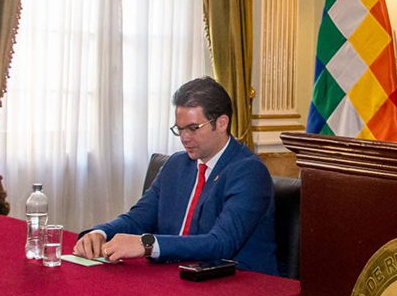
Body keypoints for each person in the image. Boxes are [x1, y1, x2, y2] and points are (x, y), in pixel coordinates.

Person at [75, 77, 279, 275]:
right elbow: (139, 217)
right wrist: (100, 233)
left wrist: (147, 245)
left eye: (192, 128)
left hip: (238, 286)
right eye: (179, 129)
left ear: (222, 123)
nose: (184, 138)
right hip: (176, 277)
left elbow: (221, 243)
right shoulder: (176, 165)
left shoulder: (249, 172)